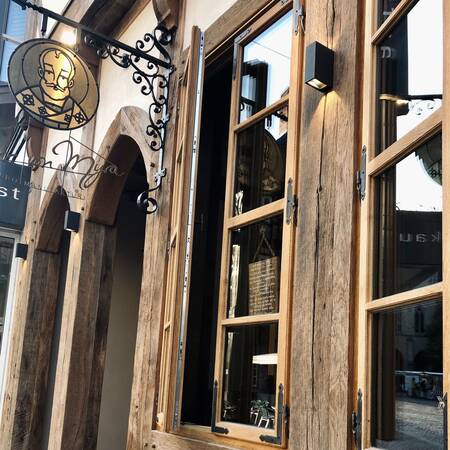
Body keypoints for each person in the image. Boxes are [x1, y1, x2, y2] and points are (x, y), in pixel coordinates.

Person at [16, 48, 87, 129]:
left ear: (70, 83)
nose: (55, 81)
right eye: (49, 72)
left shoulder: (75, 112)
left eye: (63, 77)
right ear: (41, 72)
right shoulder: (27, 97)